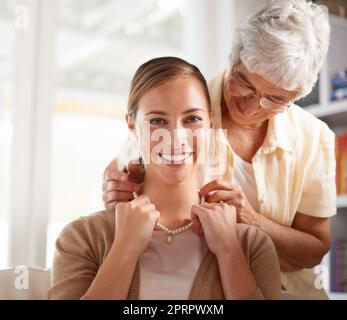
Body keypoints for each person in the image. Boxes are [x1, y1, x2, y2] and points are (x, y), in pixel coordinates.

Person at [102, 0, 336, 299]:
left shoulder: (315, 139)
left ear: (297, 95)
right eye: (245, 83)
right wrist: (113, 188)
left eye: (275, 99)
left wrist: (250, 219)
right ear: (234, 59)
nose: (251, 107)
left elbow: (314, 249)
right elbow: (121, 168)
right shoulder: (184, 107)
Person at [48, 57, 281, 300]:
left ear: (211, 121)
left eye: (192, 119)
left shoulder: (250, 244)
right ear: (132, 126)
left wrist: (230, 253)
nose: (176, 138)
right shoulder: (82, 238)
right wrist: (124, 249)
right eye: (157, 121)